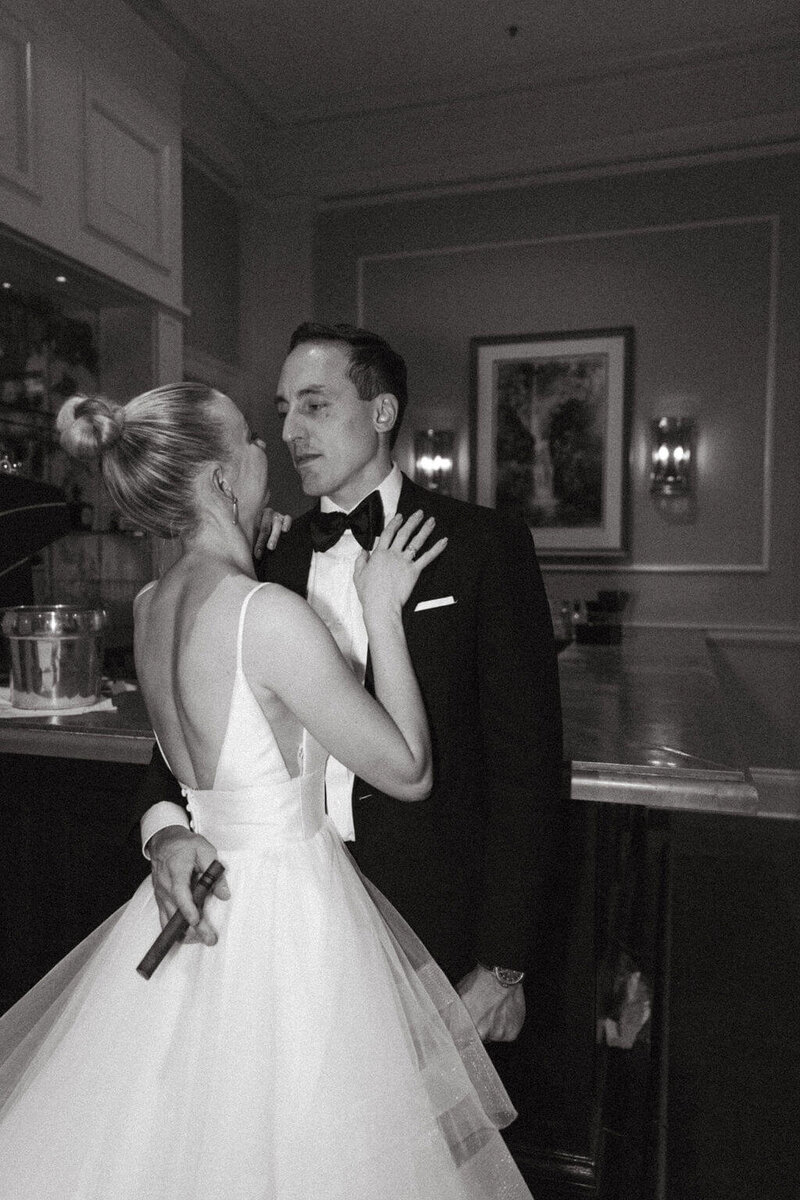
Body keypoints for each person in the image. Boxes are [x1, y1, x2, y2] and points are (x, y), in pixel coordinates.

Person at [0, 383, 535, 1199]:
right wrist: (381, 608)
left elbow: (186, 770)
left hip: (203, 903)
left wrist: (168, 829)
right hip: (287, 913)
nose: (268, 447)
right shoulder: (268, 614)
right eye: (250, 437)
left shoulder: (149, 608)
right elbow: (410, 770)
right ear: (220, 479)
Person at [135, 323, 563, 1044]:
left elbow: (528, 766)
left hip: (436, 913)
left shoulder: (484, 547)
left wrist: (505, 964)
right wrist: (166, 833)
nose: (291, 431)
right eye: (282, 411)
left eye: (315, 405)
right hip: (271, 916)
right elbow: (178, 739)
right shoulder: (260, 561)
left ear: (382, 412)